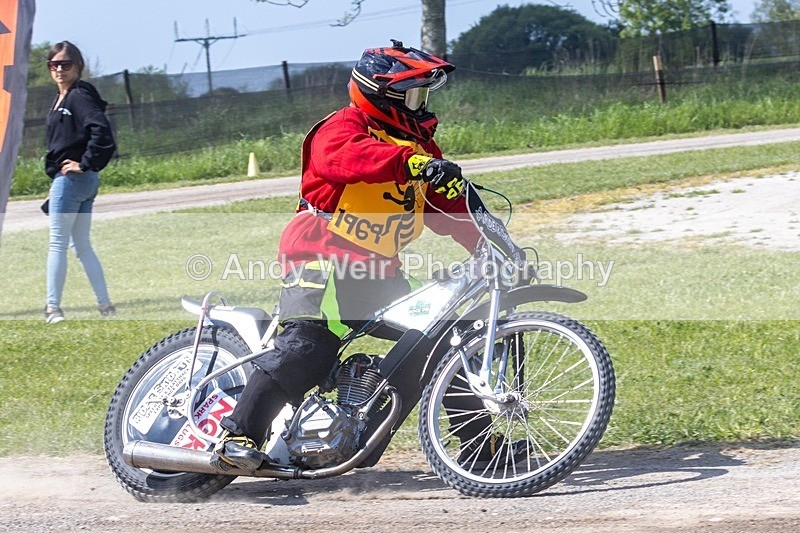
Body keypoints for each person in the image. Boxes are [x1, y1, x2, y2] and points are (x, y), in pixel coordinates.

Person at [212, 41, 491, 471]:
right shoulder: (344, 127)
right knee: (310, 346)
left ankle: (483, 451)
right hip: (321, 254)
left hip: (378, 270)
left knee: (438, 342)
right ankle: (239, 436)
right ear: (383, 94)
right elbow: (347, 159)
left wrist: (491, 247)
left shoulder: (418, 150)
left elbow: (446, 211)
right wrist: (410, 163)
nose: (422, 106)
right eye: (414, 95)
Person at [43, 41, 116, 324]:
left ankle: (53, 309)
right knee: (81, 245)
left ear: (78, 66)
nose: (59, 69)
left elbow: (101, 130)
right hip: (80, 182)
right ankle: (105, 305)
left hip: (74, 179)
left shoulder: (78, 96)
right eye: (54, 64)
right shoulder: (63, 96)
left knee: (57, 244)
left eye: (65, 64)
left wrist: (84, 163)